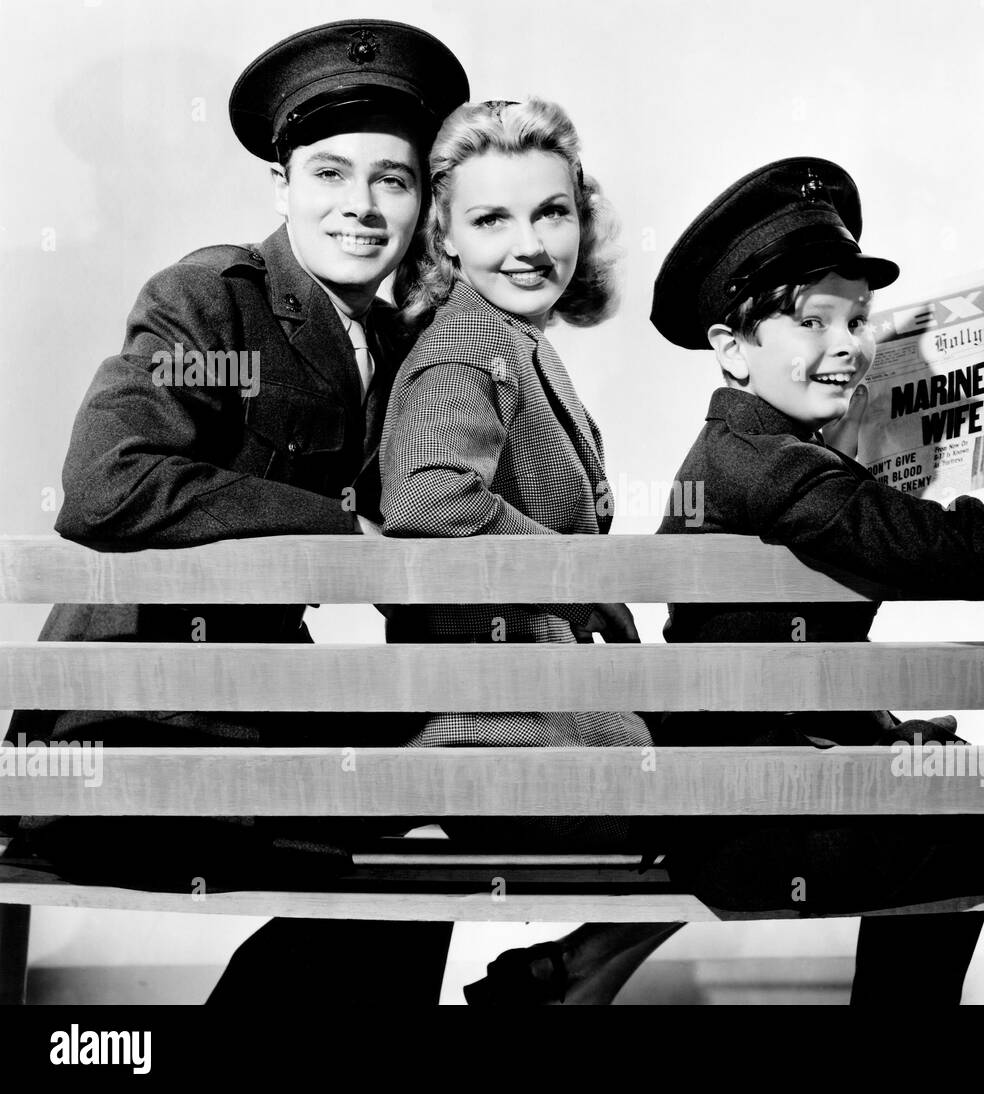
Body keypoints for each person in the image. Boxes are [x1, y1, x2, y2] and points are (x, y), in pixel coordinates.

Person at [641, 156, 984, 1003]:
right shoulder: (770, 467)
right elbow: (956, 551)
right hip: (766, 830)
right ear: (732, 349)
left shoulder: (758, 454)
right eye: (812, 322)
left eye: (859, 320)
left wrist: (882, 738)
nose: (848, 345)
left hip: (772, 805)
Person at [2, 19, 470, 1005]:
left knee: (456, 807)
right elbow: (106, 481)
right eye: (331, 173)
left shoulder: (404, 339)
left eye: (393, 179)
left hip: (249, 725)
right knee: (425, 837)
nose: (362, 205)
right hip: (128, 732)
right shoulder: (208, 299)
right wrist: (336, 529)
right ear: (283, 184)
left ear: (424, 198)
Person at [379, 97, 685, 1003]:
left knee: (773, 784)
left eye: (550, 212)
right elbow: (429, 501)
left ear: (581, 221)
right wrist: (584, 578)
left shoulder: (514, 341)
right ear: (446, 240)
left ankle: (570, 975)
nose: (529, 243)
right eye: (491, 219)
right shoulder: (466, 350)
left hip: (540, 722)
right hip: (499, 737)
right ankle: (573, 976)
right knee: (784, 804)